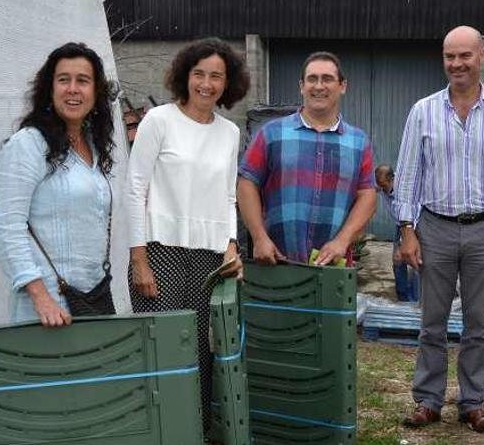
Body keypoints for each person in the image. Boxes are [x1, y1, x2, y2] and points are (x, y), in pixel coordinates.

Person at [394, 26, 484, 434]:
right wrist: (407, 229)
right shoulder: (423, 111)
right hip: (434, 228)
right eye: (449, 56)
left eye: (464, 56)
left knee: (478, 322)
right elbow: (407, 177)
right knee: (432, 322)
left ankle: (472, 403)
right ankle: (428, 401)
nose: (456, 64)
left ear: (482, 56)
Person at [125, 38, 248, 432]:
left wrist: (231, 243)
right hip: (159, 251)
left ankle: (195, 429)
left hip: (208, 257)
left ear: (227, 84)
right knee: (160, 344)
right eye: (199, 74)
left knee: (199, 347)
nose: (206, 84)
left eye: (216, 76)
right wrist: (138, 258)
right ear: (185, 76)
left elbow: (229, 195)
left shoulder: (229, 132)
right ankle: (155, 430)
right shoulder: (158, 120)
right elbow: (134, 189)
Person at [0, 42, 116, 326]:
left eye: (83, 81)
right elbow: (8, 226)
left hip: (94, 299)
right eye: (64, 80)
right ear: (50, 89)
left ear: (95, 92)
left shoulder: (94, 147)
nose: (73, 89)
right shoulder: (28, 144)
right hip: (49, 310)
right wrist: (40, 296)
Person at [238, 51, 377, 267]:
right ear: (302, 86)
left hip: (334, 266)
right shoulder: (271, 134)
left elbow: (367, 195)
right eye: (312, 79)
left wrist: (343, 240)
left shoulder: (358, 142)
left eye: (327, 79)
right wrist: (259, 237)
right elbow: (247, 184)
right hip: (276, 261)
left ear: (342, 86)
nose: (319, 86)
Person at [375, 164, 420, 302]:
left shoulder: (403, 190)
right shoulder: (382, 186)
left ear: (391, 180)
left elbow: (414, 214)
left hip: (413, 225)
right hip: (398, 225)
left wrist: (403, 241)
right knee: (398, 262)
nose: (381, 188)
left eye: (383, 185)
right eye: (379, 185)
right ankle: (403, 299)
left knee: (413, 260)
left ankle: (415, 300)